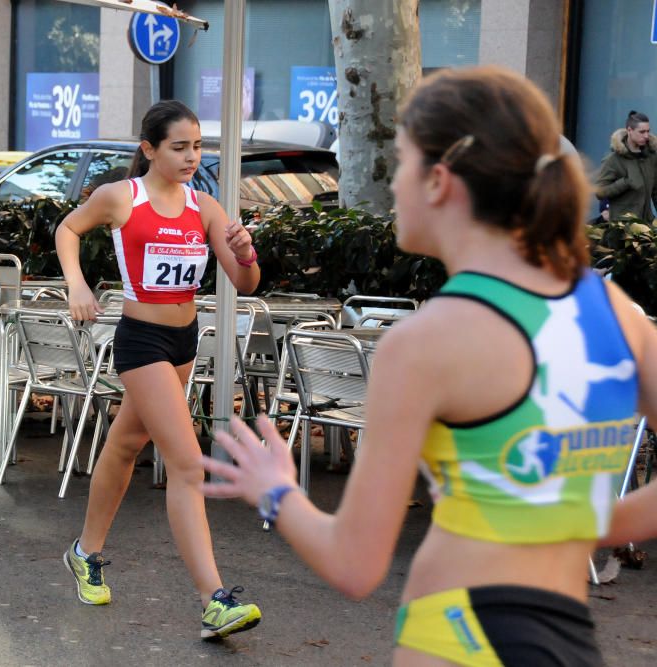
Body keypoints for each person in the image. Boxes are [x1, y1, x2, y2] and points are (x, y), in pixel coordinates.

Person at [202, 66, 657, 666]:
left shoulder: (425, 343)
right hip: (569, 642)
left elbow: (355, 564)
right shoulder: (615, 311)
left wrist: (276, 491)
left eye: (403, 162)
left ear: (440, 180)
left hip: (458, 636)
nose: (394, 185)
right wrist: (581, 521)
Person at [55, 100, 263, 640]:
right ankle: (213, 600)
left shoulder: (206, 208)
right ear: (149, 149)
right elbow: (67, 230)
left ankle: (85, 552)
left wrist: (244, 253)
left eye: (197, 146)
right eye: (180, 147)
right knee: (188, 463)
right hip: (141, 340)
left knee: (126, 445)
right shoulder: (121, 198)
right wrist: (77, 284)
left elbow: (246, 285)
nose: (192, 156)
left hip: (183, 340)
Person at [595, 110, 657, 223]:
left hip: (646, 226)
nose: (646, 136)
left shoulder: (651, 157)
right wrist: (625, 183)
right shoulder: (613, 159)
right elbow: (599, 191)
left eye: (648, 131)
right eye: (642, 132)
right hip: (621, 229)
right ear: (629, 130)